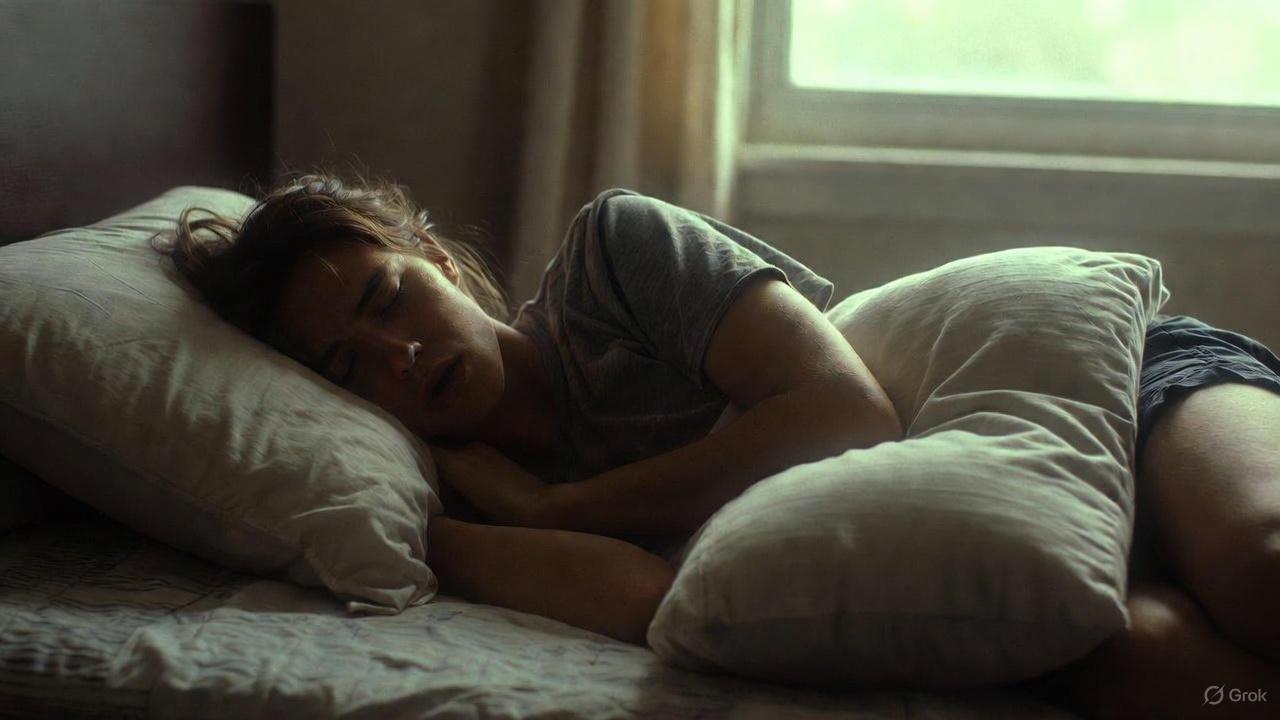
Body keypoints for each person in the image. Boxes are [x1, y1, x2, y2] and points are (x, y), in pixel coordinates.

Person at [152, 172, 1280, 717]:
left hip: (1120, 381)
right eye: (347, 366)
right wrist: (472, 524)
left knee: (1263, 564)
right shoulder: (464, 497)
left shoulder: (612, 261)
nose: (398, 355)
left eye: (389, 297)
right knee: (1164, 669)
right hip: (985, 532)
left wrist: (561, 510)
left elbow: (844, 414)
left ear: (436, 258)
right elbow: (653, 602)